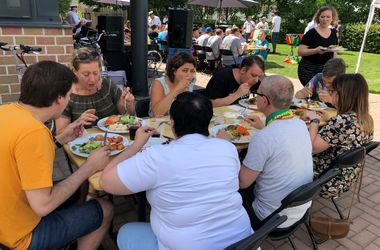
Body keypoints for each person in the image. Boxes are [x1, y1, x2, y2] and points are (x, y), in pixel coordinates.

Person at [100, 92, 253, 250]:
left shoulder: (158, 156)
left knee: (126, 232)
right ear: (208, 122)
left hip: (188, 244)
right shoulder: (227, 147)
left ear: (172, 123)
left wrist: (137, 144)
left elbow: (106, 182)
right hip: (243, 241)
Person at [0, 61, 113, 250]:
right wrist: (90, 167)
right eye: (69, 95)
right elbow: (43, 206)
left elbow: (20, 155)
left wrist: (60, 139)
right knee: (106, 208)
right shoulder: (34, 132)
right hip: (19, 238)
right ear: (59, 98)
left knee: (81, 187)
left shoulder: (7, 111)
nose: (69, 99)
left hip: (7, 218)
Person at [229, 75, 313, 229]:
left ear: (265, 100)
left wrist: (227, 146)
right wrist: (264, 128)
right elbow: (279, 138)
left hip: (271, 218)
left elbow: (242, 182)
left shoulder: (264, 137)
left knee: (227, 191)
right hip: (300, 209)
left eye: (258, 94)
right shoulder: (300, 124)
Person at [305, 74, 373, 199]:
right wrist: (331, 119)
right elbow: (346, 132)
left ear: (343, 94)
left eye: (332, 91)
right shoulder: (366, 118)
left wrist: (314, 121)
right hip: (347, 176)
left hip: (327, 179)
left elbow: (312, 148)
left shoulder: (341, 121)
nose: (330, 94)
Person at [55, 47, 135, 134]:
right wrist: (77, 122)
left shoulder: (107, 86)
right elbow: (60, 134)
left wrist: (129, 104)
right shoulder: (65, 95)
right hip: (82, 144)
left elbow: (128, 116)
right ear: (74, 71)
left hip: (114, 141)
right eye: (86, 74)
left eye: (96, 73)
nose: (92, 79)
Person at [298, 6, 339, 86]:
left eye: (328, 17)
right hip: (308, 69)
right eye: (322, 16)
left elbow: (334, 51)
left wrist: (334, 66)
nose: (325, 19)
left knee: (322, 95)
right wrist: (315, 50)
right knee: (313, 93)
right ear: (318, 18)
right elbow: (300, 51)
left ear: (332, 18)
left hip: (325, 70)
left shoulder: (333, 33)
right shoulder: (311, 33)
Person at [150, 52, 196, 117]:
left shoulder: (190, 82)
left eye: (192, 71)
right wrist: (177, 89)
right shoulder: (159, 83)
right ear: (174, 71)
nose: (189, 75)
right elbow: (157, 113)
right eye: (185, 70)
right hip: (158, 124)